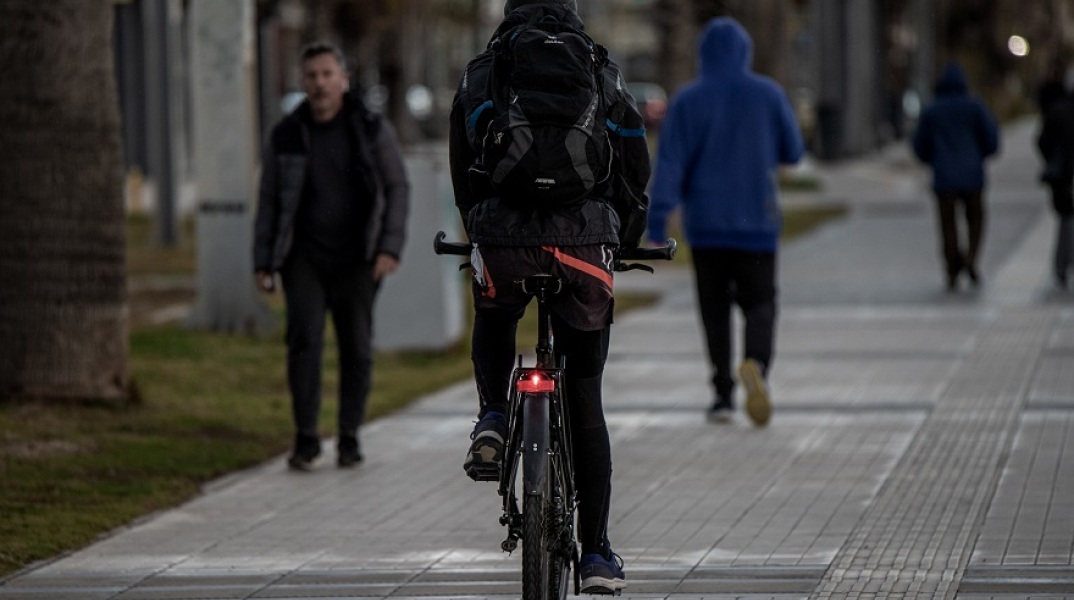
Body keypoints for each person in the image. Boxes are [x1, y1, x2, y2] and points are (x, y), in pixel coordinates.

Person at [448, 0, 650, 593]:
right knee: (585, 394)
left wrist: (477, 228)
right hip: (584, 248)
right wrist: (626, 239)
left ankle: (491, 416)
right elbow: (633, 154)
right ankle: (596, 555)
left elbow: (465, 160)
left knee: (494, 311)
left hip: (504, 241)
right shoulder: (598, 66)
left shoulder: (485, 69)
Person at [254, 42, 409, 471]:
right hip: (302, 257)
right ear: (302, 82)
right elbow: (268, 200)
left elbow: (397, 187)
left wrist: (389, 247)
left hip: (359, 256)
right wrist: (263, 261)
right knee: (303, 342)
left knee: (356, 348)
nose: (319, 84)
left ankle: (349, 435)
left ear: (343, 78)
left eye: (327, 74)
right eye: (311, 76)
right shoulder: (286, 134)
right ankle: (306, 438)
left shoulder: (369, 128)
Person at [647, 17, 804, 427]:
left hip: (708, 225)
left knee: (714, 311)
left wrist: (657, 224)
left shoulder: (687, 100)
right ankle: (756, 366)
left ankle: (721, 395)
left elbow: (669, 165)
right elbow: (794, 149)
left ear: (703, 54)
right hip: (758, 225)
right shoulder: (768, 95)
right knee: (761, 303)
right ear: (745, 52)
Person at [911, 62, 999, 291]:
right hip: (972, 176)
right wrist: (981, 155)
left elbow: (919, 144)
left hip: (944, 178)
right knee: (976, 220)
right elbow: (991, 139)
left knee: (947, 226)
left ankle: (952, 268)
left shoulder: (933, 110)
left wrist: (933, 160)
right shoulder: (974, 107)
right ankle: (970, 258)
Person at [1038, 78, 1074, 289]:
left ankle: (1062, 267)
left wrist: (1052, 159)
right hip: (1064, 174)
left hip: (1062, 176)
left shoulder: (1056, 110)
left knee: (1066, 219)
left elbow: (1042, 140)